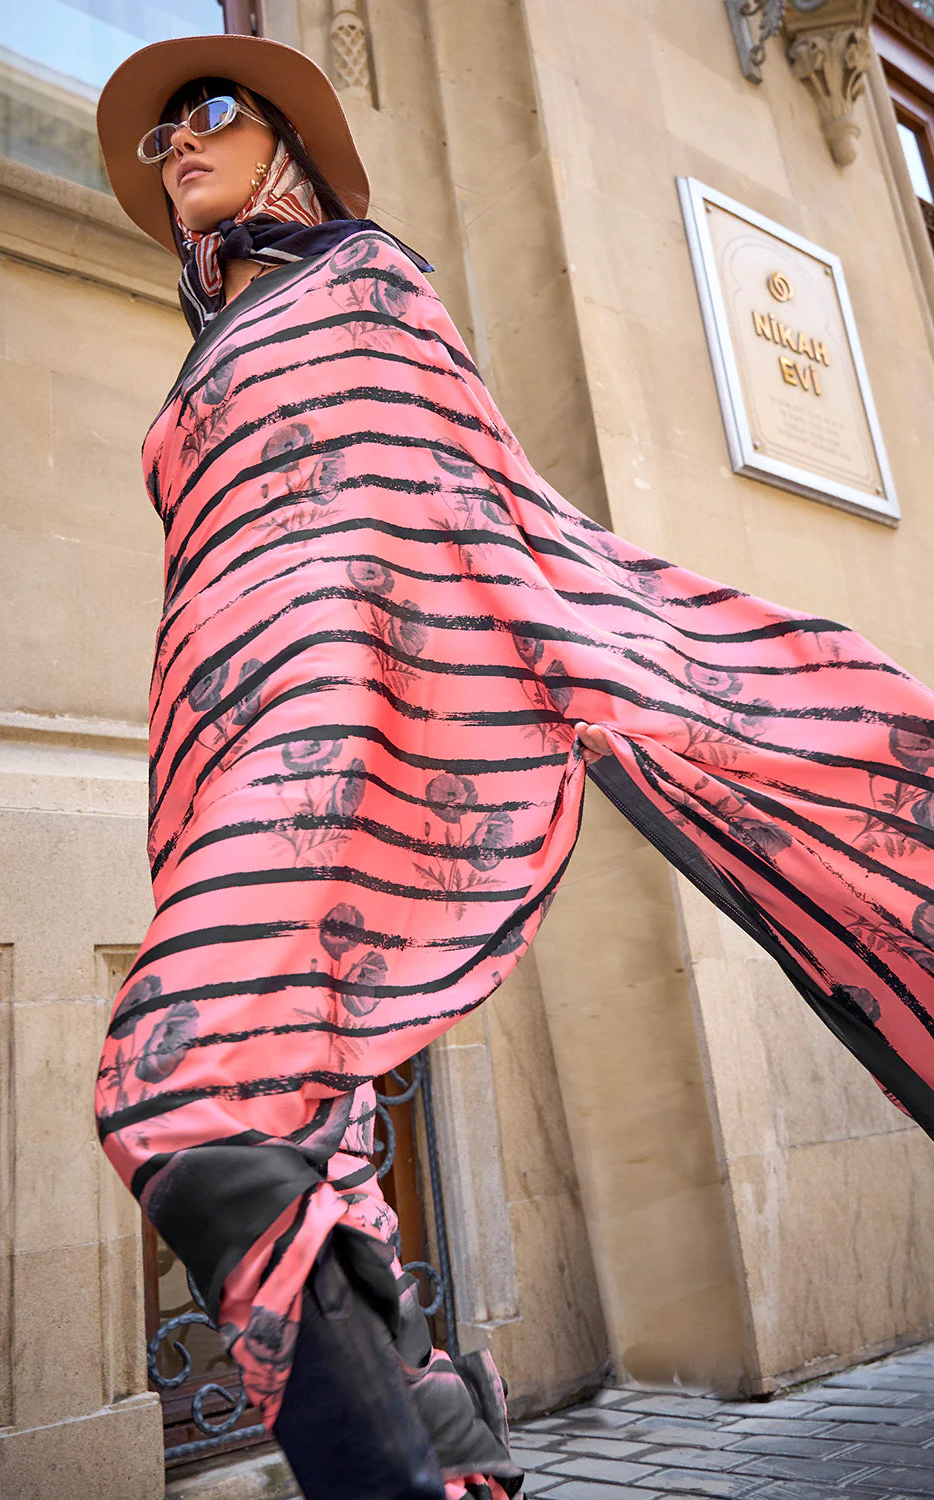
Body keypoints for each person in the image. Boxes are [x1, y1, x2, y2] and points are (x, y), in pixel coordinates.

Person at [94, 32, 934, 1500]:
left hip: (329, 722)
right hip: (209, 745)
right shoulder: (210, 347)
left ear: (286, 138)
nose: (177, 147)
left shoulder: (370, 286)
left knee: (190, 1081)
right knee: (311, 1122)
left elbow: (471, 519)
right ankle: (454, 1452)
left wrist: (536, 681)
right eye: (160, 141)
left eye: (207, 112)